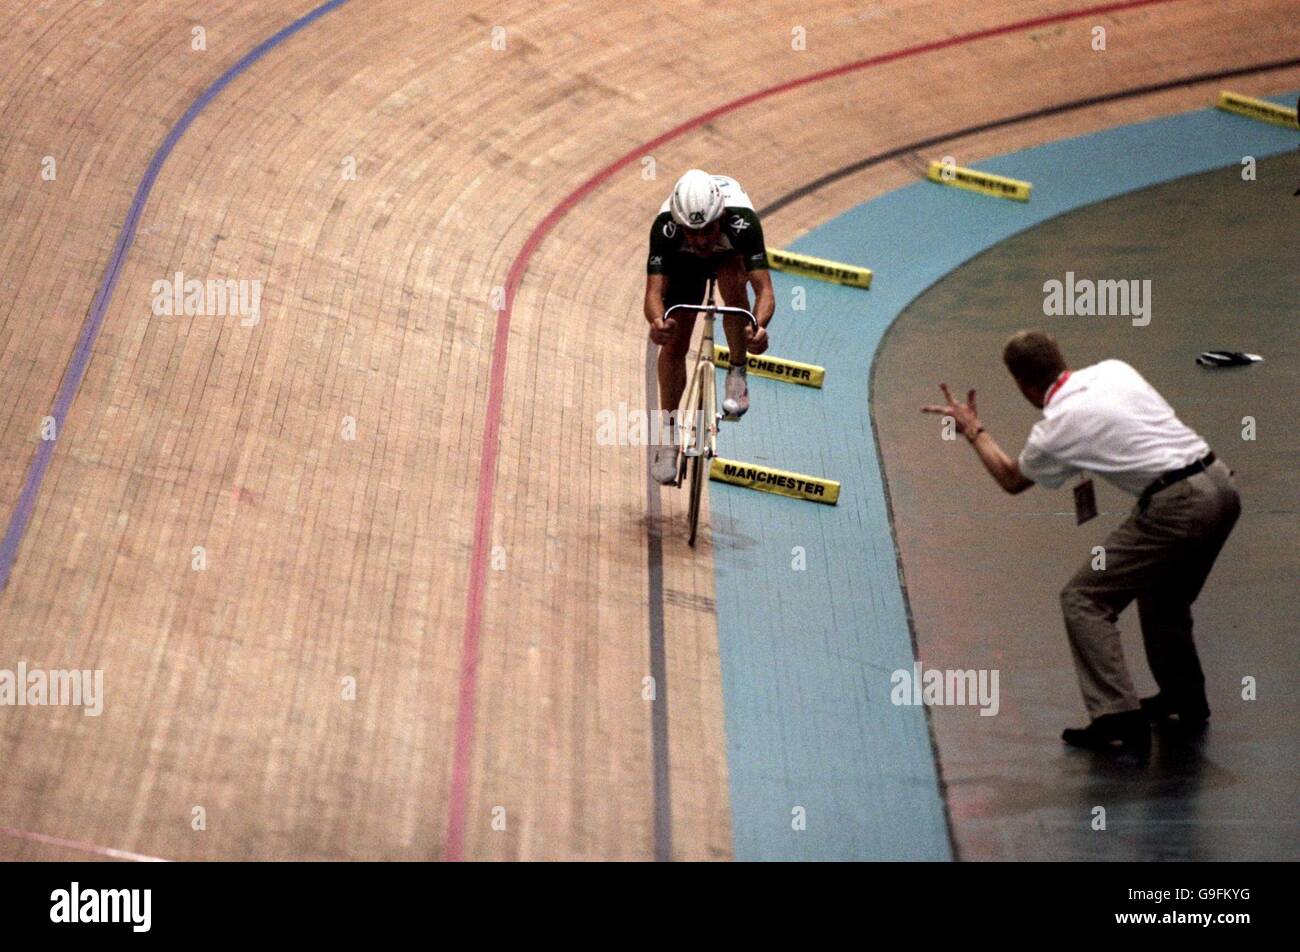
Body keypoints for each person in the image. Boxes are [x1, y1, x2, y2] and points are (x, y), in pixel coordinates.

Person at [922, 330, 1240, 754]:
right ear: (1059, 356)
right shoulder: (1115, 368)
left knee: (1084, 599)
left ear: (1023, 385)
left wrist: (973, 430)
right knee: (1163, 597)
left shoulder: (1056, 429)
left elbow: (1012, 479)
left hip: (1177, 507)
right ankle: (1184, 699)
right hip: (1221, 484)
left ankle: (1117, 717)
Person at [645, 169, 775, 485]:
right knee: (675, 336)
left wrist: (759, 326)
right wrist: (657, 322)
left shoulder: (743, 222)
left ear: (722, 217)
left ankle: (737, 372)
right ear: (680, 224)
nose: (702, 240)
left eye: (708, 230)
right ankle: (669, 437)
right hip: (685, 264)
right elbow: (653, 294)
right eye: (693, 231)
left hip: (730, 257)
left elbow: (765, 291)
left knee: (733, 284)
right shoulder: (665, 227)